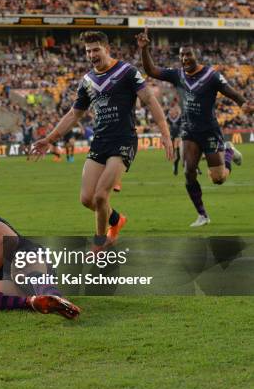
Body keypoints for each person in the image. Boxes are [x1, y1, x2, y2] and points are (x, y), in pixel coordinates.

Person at [32, 31, 173, 250]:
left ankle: (99, 243)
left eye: (96, 49)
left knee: (100, 197)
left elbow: (150, 100)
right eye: (88, 51)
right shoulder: (87, 80)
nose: (91, 54)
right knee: (87, 199)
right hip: (100, 141)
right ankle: (116, 220)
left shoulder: (127, 71)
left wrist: (165, 133)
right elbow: (73, 114)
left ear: (107, 49)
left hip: (124, 140)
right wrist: (49, 139)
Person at [137, 28, 251, 227]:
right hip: (189, 131)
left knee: (218, 179)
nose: (184, 58)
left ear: (196, 56)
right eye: (181, 55)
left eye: (188, 54)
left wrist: (243, 104)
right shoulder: (177, 75)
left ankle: (229, 151)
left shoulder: (211, 76)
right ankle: (203, 215)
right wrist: (144, 49)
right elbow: (151, 71)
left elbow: (231, 92)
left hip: (209, 131)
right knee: (188, 172)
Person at [167, 106, 182, 176]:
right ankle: (173, 159)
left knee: (178, 153)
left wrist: (178, 112)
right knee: (172, 149)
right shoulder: (169, 118)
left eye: (174, 112)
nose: (173, 113)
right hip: (172, 136)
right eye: (172, 111)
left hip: (178, 137)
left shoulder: (179, 118)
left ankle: (175, 162)